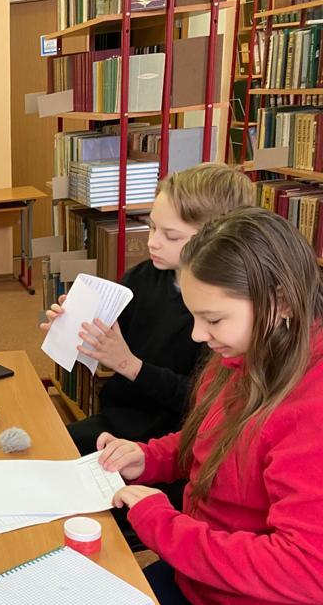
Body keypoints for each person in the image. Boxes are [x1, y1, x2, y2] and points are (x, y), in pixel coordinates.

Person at [0, 206, 323, 605]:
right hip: (214, 580)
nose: (198, 335)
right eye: (194, 316)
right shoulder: (250, 354)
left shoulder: (310, 407)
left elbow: (303, 569)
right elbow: (209, 442)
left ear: (282, 304)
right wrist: (147, 457)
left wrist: (161, 522)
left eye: (213, 319)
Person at [41, 163, 255, 455]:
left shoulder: (227, 315)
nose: (152, 242)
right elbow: (109, 342)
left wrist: (130, 365)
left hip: (177, 439)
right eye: (152, 227)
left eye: (171, 236)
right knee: (45, 449)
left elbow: (203, 400)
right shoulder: (143, 277)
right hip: (119, 422)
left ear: (217, 238)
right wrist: (75, 327)